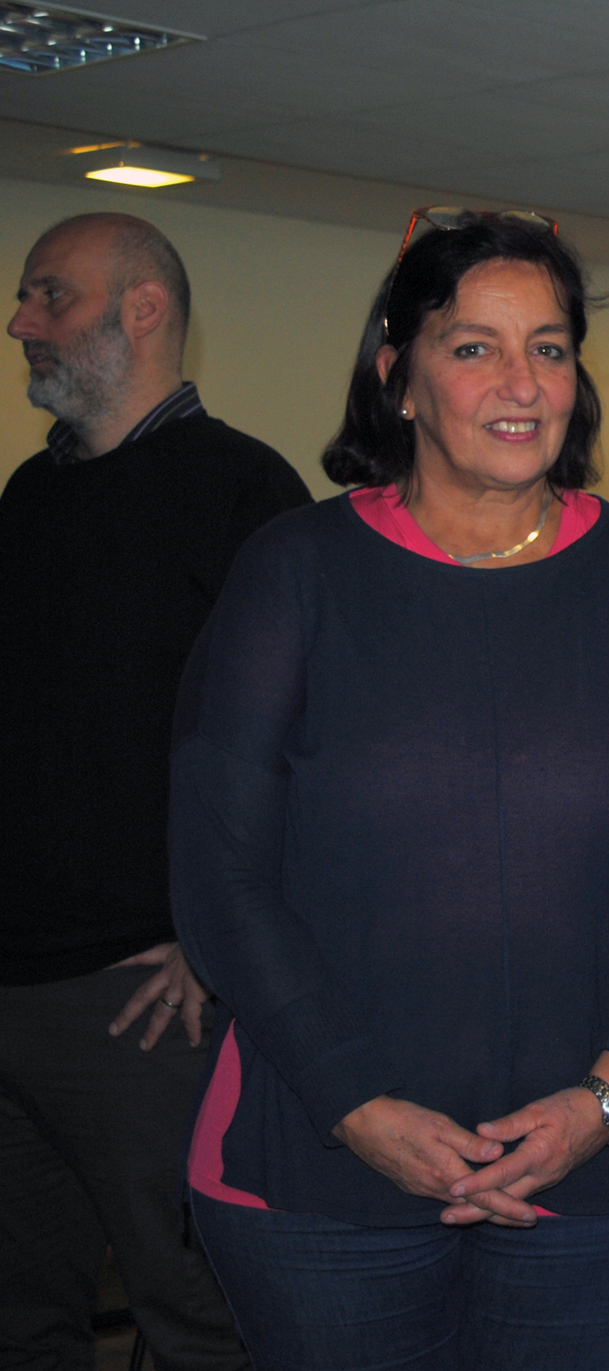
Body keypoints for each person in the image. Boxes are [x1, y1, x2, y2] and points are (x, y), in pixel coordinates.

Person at [168, 211, 609, 1370]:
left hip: (606, 1175)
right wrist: (354, 1103)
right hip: (322, 1171)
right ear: (399, 378)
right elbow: (218, 870)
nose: (520, 382)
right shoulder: (296, 570)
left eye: (549, 346)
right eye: (473, 346)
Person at [0, 212, 309, 1371]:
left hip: (141, 1007)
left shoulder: (244, 495)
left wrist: (207, 938)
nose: (24, 322)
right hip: (12, 985)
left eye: (50, 297)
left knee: (195, 1318)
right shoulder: (32, 495)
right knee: (21, 1318)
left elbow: (301, 746)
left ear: (141, 310)